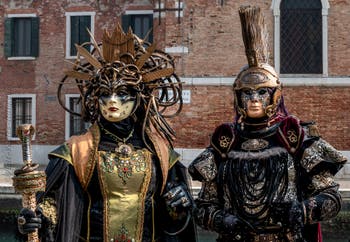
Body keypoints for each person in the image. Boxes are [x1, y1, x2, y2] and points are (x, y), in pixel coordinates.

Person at [17, 24, 197, 242]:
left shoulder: (159, 152)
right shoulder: (77, 151)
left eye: (121, 93)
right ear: (96, 98)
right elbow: (53, 204)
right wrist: (38, 218)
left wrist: (180, 206)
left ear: (138, 97)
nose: (112, 101)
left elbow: (172, 215)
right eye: (105, 93)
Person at [188, 5, 347, 242]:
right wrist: (221, 219)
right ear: (238, 96)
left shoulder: (295, 138)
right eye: (247, 93)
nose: (253, 99)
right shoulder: (226, 142)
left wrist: (300, 211)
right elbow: (203, 207)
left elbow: (331, 198)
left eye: (262, 93)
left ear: (274, 95)